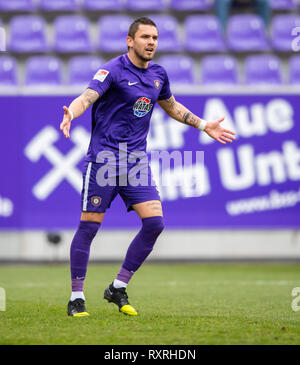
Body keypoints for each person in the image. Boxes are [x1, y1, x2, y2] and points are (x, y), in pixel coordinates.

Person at [60, 17, 236, 317]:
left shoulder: (158, 74)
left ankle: (117, 287)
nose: (151, 42)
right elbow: (87, 97)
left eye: (154, 37)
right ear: (130, 41)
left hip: (136, 162)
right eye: (144, 37)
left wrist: (204, 124)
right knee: (89, 226)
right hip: (104, 159)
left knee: (155, 223)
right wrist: (71, 114)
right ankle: (76, 297)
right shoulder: (113, 70)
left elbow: (170, 105)